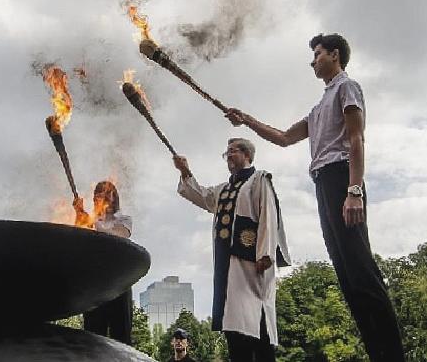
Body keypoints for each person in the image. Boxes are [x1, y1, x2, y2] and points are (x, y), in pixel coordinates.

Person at [225, 33, 404, 362]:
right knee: (347, 276)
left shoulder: (347, 87)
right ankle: (378, 352)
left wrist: (354, 191)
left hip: (341, 180)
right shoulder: (320, 105)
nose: (313, 61)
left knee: (361, 271)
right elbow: (283, 137)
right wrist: (246, 120)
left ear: (335, 55)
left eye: (318, 54)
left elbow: (356, 138)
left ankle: (392, 355)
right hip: (323, 184)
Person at [173, 138, 290, 362]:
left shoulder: (259, 180)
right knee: (233, 322)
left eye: (232, 151)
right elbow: (202, 195)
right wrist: (185, 171)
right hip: (227, 269)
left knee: (257, 319)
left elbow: (268, 215)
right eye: (225, 153)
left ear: (247, 154)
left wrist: (265, 254)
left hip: (251, 264)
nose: (228, 156)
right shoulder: (224, 189)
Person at [73, 180, 133, 344]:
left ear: (115, 197)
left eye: (107, 193)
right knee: (92, 337)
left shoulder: (124, 219)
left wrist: (91, 223)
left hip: (119, 284)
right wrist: (79, 215)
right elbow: (77, 240)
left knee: (121, 338)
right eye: (98, 193)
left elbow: (117, 236)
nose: (103, 197)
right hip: (95, 285)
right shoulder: (90, 220)